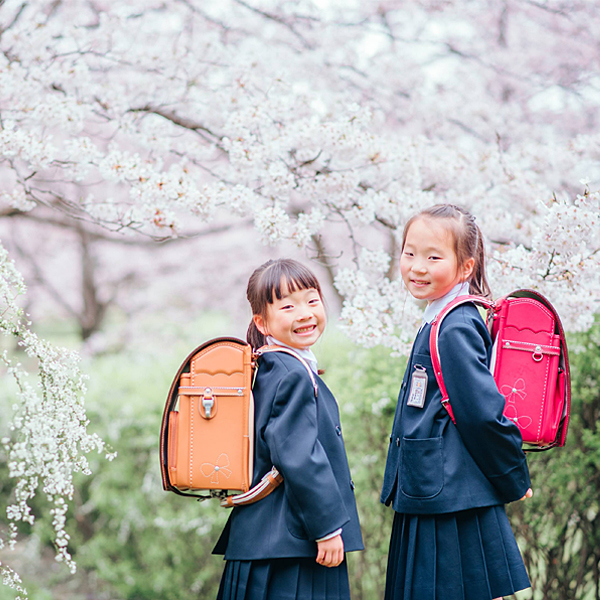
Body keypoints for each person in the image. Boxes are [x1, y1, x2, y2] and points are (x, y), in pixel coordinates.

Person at [381, 204, 533, 600]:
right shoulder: (440, 318)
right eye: (410, 253)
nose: (417, 266)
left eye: (434, 257)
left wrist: (513, 474)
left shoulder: (455, 325)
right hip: (436, 489)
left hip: (448, 501)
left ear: (465, 268)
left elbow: (481, 413)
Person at [213, 258, 363, 600]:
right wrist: (327, 528)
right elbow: (299, 455)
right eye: (288, 306)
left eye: (312, 300)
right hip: (293, 545)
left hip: (266, 539)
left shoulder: (267, 365)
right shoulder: (292, 374)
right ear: (261, 321)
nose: (305, 313)